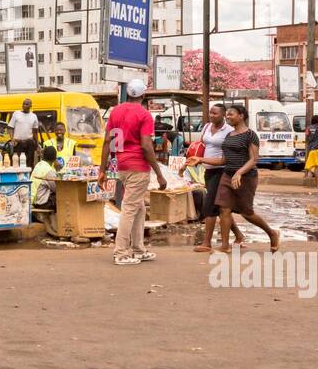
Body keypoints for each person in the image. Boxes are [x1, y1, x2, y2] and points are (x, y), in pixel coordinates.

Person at [98, 78, 167, 266]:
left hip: (120, 164)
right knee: (129, 209)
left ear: (127, 93)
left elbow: (108, 141)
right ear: (144, 95)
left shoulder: (116, 111)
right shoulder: (144, 115)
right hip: (137, 166)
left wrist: (102, 170)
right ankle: (121, 253)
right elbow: (146, 146)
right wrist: (159, 173)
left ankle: (138, 249)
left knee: (139, 207)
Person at [214, 105, 280, 252]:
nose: (228, 117)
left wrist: (239, 173)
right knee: (224, 209)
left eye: (231, 114)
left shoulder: (250, 135)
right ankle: (225, 246)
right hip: (227, 175)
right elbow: (223, 160)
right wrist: (200, 160)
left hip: (246, 178)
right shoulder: (229, 135)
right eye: (227, 114)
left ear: (241, 116)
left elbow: (254, 159)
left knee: (247, 212)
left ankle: (271, 233)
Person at [181, 103, 244, 252]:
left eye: (215, 113)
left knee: (209, 206)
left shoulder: (229, 131)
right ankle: (238, 236)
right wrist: (192, 161)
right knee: (221, 208)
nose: (211, 115)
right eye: (210, 113)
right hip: (208, 171)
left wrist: (201, 160)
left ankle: (207, 243)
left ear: (223, 115)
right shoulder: (207, 127)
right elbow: (201, 145)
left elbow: (225, 159)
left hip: (222, 171)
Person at [7, 98, 41, 168]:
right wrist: (12, 139)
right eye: (23, 104)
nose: (24, 105)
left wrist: (37, 145)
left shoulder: (34, 116)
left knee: (29, 163)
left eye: (27, 104)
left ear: (31, 106)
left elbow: (35, 132)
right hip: (18, 143)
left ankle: (29, 174)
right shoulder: (16, 114)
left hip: (29, 143)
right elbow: (10, 128)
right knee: (17, 163)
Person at [31, 145, 59, 209]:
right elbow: (57, 189)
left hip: (33, 200)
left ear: (43, 156)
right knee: (63, 197)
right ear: (54, 159)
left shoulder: (38, 165)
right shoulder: (49, 171)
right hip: (42, 204)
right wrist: (57, 169)